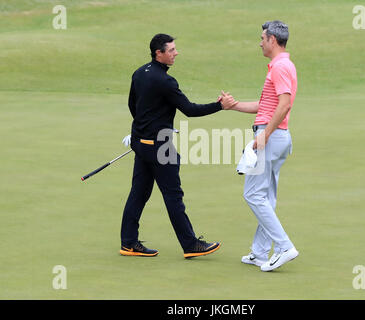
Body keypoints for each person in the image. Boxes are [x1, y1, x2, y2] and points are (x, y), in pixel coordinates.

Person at [120, 33, 237, 259]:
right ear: (159, 53)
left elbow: (133, 106)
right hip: (159, 147)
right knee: (173, 196)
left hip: (141, 144)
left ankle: (128, 242)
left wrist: (147, 128)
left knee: (139, 193)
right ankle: (191, 244)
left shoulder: (139, 73)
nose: (176, 53)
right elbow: (190, 110)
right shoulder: (165, 81)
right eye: (171, 50)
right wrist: (220, 105)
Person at [224, 21, 299, 271]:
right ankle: (258, 252)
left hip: (272, 136)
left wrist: (264, 135)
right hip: (277, 136)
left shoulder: (280, 67)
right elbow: (265, 105)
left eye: (262, 38)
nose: (260, 42)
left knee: (253, 194)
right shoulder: (281, 66)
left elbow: (285, 105)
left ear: (273, 40)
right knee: (266, 196)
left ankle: (284, 247)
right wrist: (233, 105)